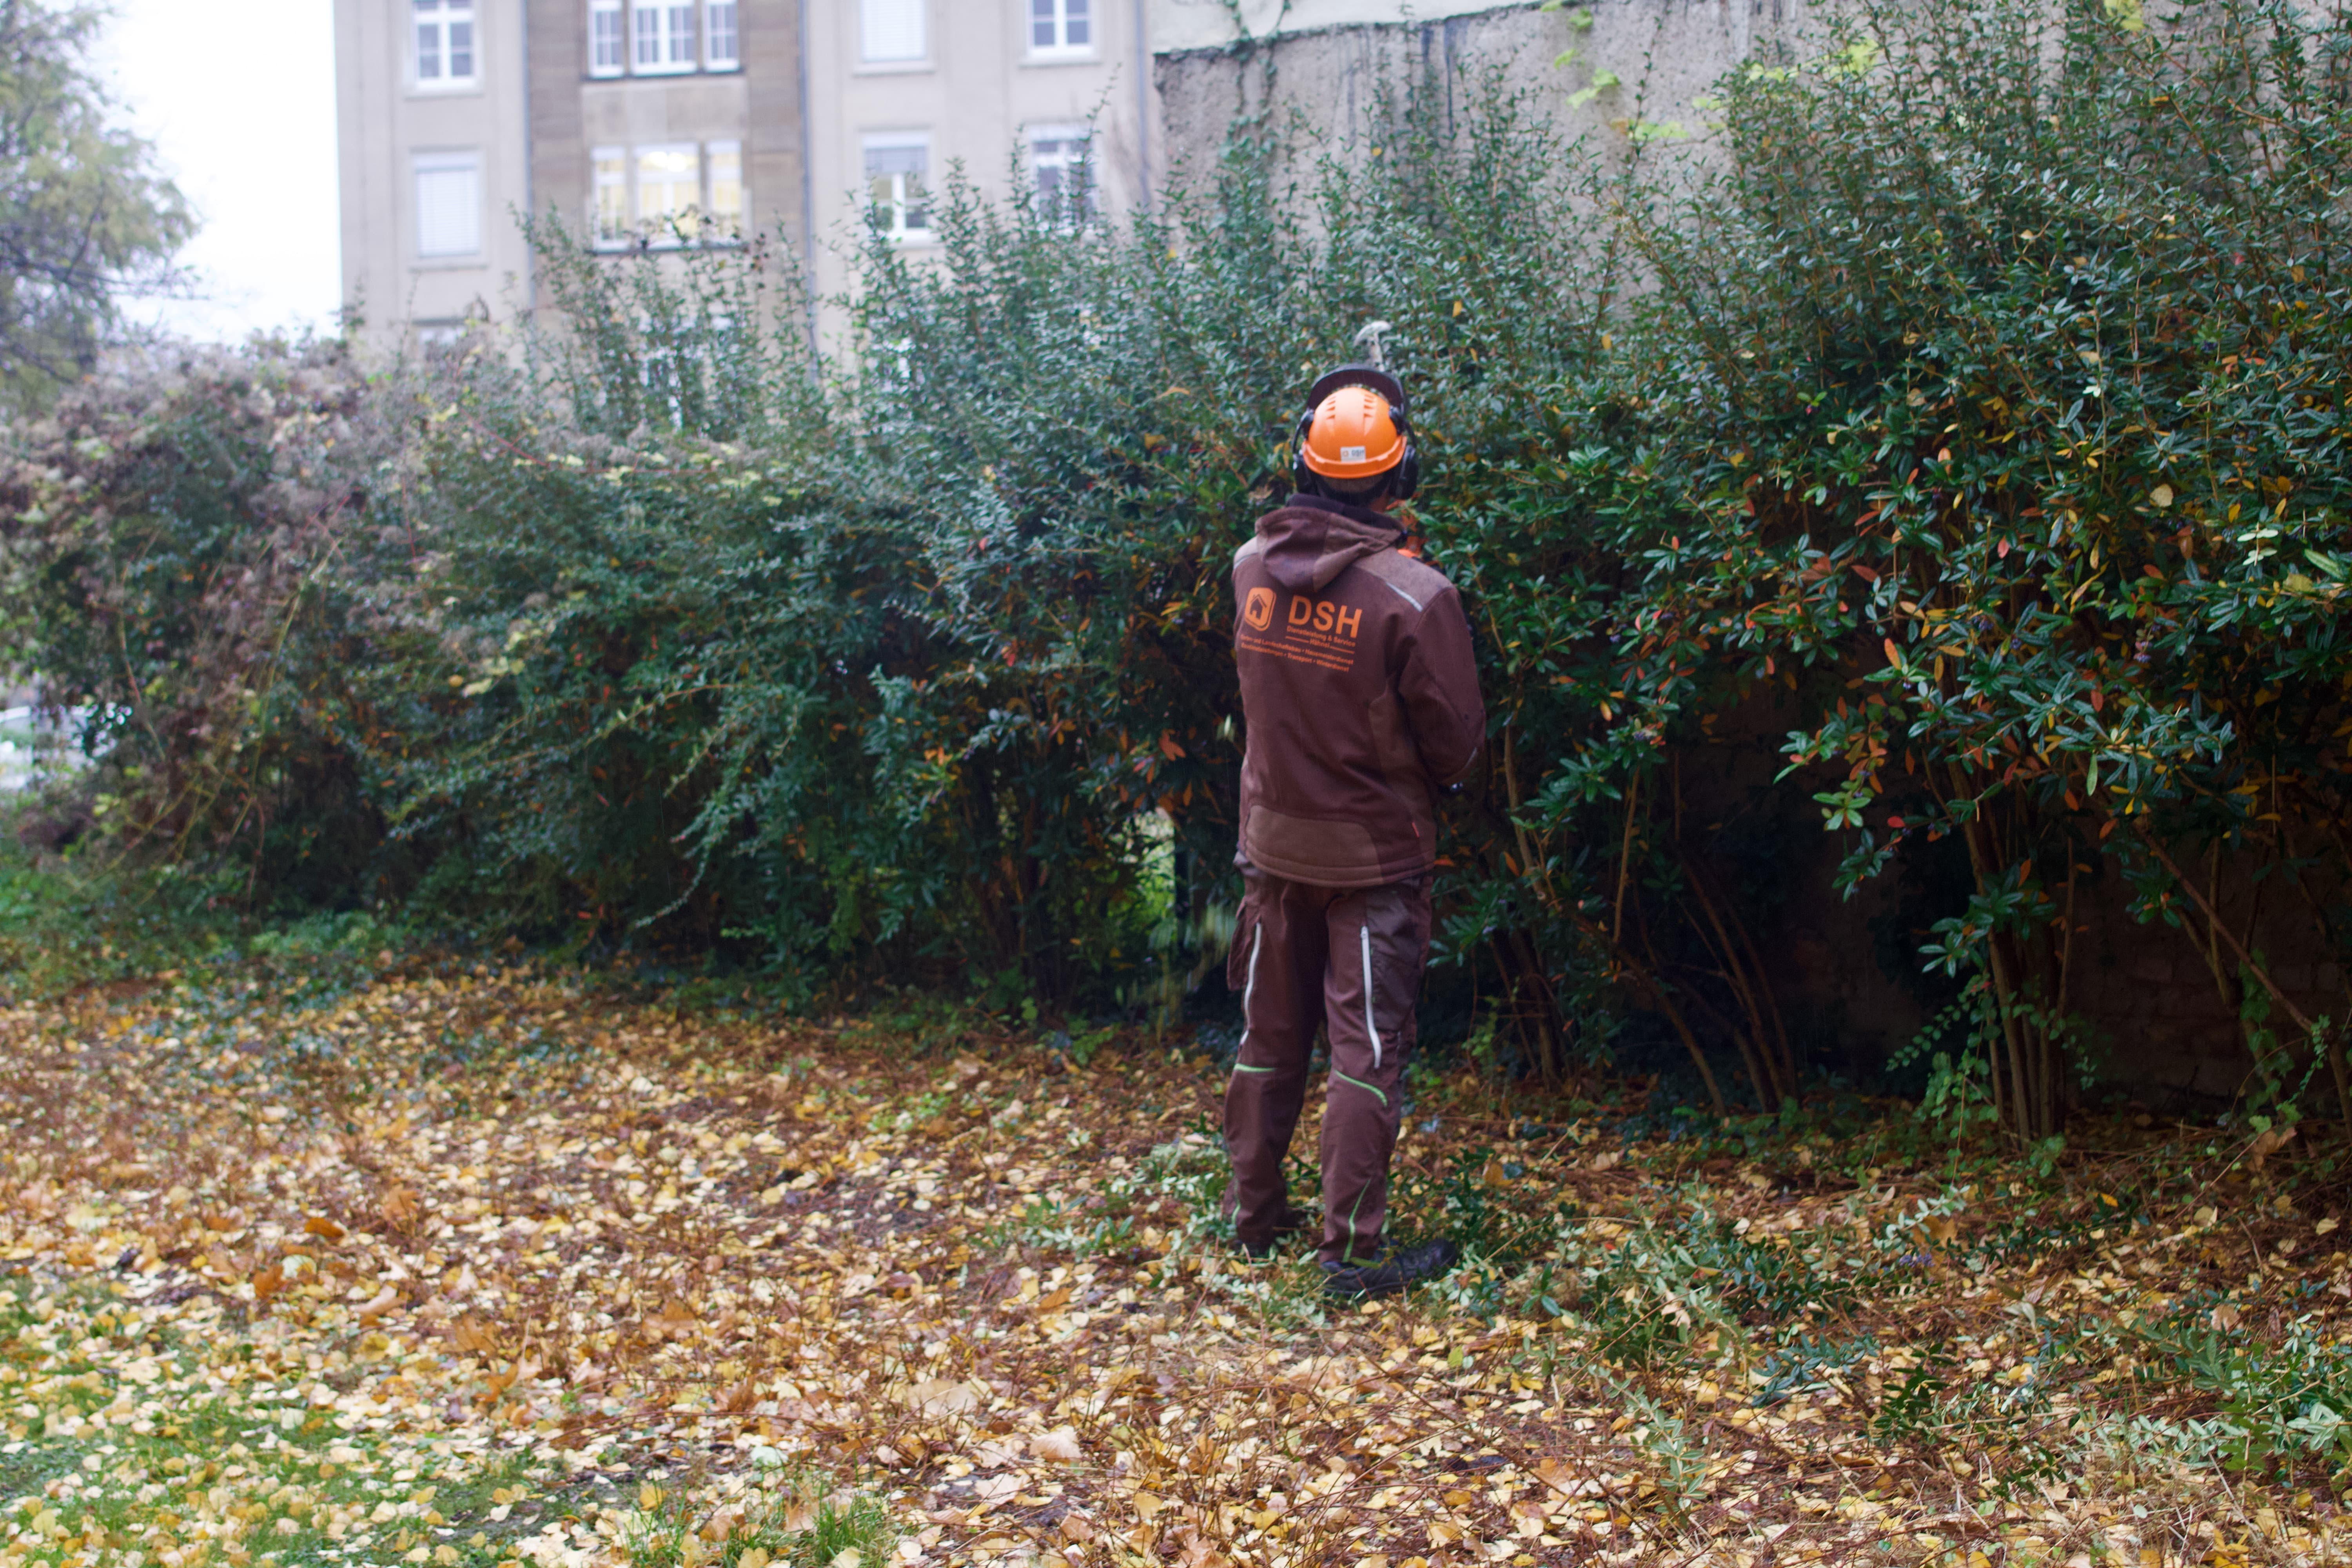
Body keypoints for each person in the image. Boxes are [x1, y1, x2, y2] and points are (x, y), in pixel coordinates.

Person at [1221, 356, 1486, 1301]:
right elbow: (1457, 745)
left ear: (1301, 461)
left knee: (1268, 1032)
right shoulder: (1418, 597)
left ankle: (1253, 1216)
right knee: (1364, 1049)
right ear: (1401, 474)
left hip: (1272, 850)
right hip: (1375, 861)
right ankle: (1351, 1251)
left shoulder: (1250, 567)